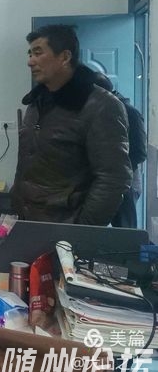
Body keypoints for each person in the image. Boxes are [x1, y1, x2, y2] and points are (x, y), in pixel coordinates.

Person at [11, 25, 131, 225]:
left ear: (65, 57)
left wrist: (82, 230)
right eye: (30, 54)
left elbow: (113, 179)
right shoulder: (37, 103)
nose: (30, 62)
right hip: (28, 222)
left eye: (38, 53)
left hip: (66, 227)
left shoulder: (101, 106)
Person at [92, 72, 147, 228]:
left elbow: (140, 152)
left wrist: (118, 167)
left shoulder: (130, 112)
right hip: (105, 176)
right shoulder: (100, 111)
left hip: (126, 178)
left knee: (125, 229)